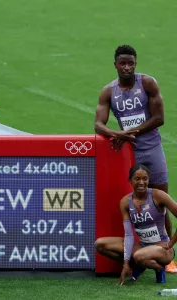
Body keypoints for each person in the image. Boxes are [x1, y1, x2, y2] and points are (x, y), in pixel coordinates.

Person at [94, 44, 177, 273]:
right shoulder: (109, 92)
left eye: (131, 63)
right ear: (115, 65)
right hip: (128, 155)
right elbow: (98, 124)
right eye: (123, 63)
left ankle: (167, 254)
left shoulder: (147, 83)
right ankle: (139, 251)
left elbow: (159, 118)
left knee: (161, 201)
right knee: (135, 204)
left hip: (151, 150)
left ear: (136, 63)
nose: (127, 67)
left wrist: (129, 133)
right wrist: (116, 134)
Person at [95, 165, 177, 285]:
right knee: (100, 244)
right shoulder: (125, 202)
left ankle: (159, 267)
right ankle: (138, 264)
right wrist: (126, 263)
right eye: (137, 179)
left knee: (139, 255)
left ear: (149, 180)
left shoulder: (158, 195)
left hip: (162, 248)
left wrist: (170, 243)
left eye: (145, 179)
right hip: (142, 246)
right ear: (130, 180)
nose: (141, 182)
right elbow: (129, 234)